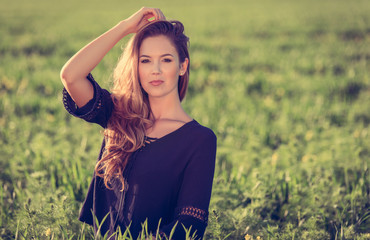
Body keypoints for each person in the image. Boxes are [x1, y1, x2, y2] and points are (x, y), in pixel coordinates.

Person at [60, 7, 217, 239]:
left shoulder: (199, 140)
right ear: (137, 67)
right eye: (145, 61)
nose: (155, 70)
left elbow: (191, 221)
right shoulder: (118, 115)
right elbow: (71, 76)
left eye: (166, 60)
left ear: (182, 66)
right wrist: (124, 27)